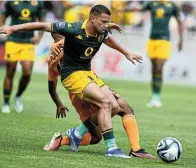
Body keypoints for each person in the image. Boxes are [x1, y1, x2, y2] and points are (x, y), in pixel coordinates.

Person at [0, 4, 142, 158]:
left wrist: (125, 50)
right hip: (72, 75)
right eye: (103, 22)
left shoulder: (100, 30)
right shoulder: (70, 32)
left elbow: (108, 39)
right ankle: (111, 148)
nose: (105, 26)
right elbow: (42, 25)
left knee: (114, 106)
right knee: (104, 108)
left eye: (107, 22)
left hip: (88, 74)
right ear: (92, 18)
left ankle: (76, 133)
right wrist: (13, 28)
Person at [44, 33, 155, 159]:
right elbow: (91, 31)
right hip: (84, 84)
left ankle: (64, 139)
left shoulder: (52, 57)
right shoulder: (71, 40)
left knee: (105, 126)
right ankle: (75, 136)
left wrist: (59, 104)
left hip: (79, 88)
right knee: (117, 108)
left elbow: (51, 87)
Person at [119, 1, 183, 108]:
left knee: (159, 67)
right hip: (152, 40)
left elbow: (179, 22)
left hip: (164, 41)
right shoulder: (151, 3)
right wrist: (124, 10)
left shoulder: (172, 6)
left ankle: (157, 97)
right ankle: (155, 97)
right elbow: (139, 9)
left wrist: (181, 40)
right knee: (154, 69)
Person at [0, 1, 45, 113]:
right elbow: (3, 16)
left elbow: (42, 21)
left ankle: (18, 96)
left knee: (27, 72)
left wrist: (39, 37)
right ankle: (6, 102)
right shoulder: (11, 2)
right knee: (10, 71)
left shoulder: (38, 3)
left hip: (28, 42)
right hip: (13, 41)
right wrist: (3, 30)